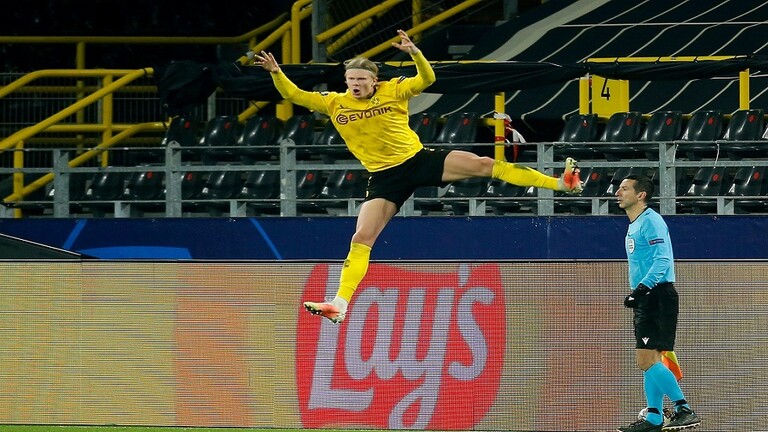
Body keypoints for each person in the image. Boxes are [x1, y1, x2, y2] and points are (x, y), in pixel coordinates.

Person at [255, 29, 583, 324]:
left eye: (361, 79)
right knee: (361, 238)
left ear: (374, 80)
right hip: (384, 177)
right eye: (351, 79)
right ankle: (339, 304)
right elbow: (295, 95)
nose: (355, 84)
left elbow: (426, 79)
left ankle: (560, 183)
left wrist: (415, 53)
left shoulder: (394, 90)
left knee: (484, 163)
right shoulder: (334, 103)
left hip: (418, 160)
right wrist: (277, 73)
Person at [615, 175, 701, 432]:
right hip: (648, 296)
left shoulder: (651, 221)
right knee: (650, 359)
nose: (617, 192)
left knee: (646, 360)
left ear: (641, 195)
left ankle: (684, 409)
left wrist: (642, 289)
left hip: (657, 296)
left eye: (624, 188)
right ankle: (654, 416)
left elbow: (663, 260)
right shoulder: (635, 224)